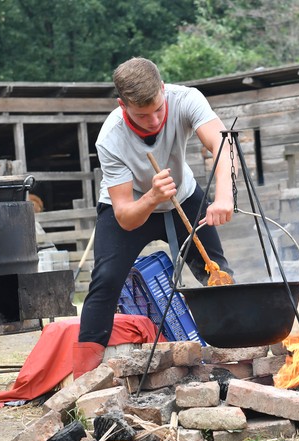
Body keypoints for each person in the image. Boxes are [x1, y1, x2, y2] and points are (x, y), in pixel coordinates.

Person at [73, 57, 237, 379]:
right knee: (105, 281)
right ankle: (83, 378)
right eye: (141, 115)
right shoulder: (110, 138)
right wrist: (151, 196)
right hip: (134, 206)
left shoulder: (186, 100)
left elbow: (222, 143)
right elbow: (125, 217)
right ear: (123, 105)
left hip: (184, 195)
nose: (153, 120)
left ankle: (233, 355)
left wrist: (224, 198)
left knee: (216, 272)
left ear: (163, 89)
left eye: (158, 109)